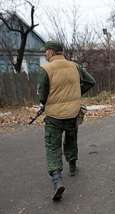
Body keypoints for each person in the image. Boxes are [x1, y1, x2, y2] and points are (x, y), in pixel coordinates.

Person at [37, 40, 95, 201]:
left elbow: (42, 96)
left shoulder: (46, 69)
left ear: (53, 52)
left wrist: (45, 103)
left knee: (52, 145)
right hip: (73, 112)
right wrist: (76, 94)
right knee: (71, 138)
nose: (45, 54)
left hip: (54, 116)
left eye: (46, 51)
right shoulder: (75, 66)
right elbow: (91, 81)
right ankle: (73, 166)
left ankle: (57, 180)